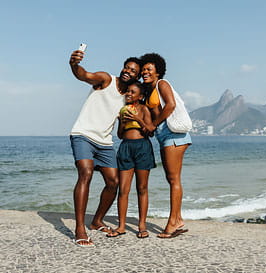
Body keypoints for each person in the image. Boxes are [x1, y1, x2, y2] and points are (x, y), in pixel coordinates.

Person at [69, 48, 142, 247]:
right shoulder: (106, 79)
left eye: (133, 70)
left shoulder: (127, 99)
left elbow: (119, 132)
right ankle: (79, 229)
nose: (128, 71)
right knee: (86, 173)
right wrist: (74, 64)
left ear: (137, 76)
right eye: (127, 67)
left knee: (113, 181)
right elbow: (84, 75)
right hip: (83, 134)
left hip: (105, 143)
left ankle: (96, 220)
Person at [129, 53, 192, 238]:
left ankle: (172, 223)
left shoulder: (162, 84)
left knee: (173, 180)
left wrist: (153, 125)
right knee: (172, 178)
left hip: (173, 134)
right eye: (144, 70)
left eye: (149, 69)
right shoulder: (148, 90)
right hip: (163, 135)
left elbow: (170, 105)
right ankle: (178, 220)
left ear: (158, 71)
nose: (145, 72)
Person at [106, 80, 156, 239]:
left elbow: (150, 131)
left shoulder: (144, 109)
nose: (128, 94)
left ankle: (142, 225)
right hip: (126, 147)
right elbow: (120, 134)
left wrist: (138, 119)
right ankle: (121, 226)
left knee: (142, 188)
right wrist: (123, 121)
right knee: (123, 189)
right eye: (127, 91)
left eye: (132, 92)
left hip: (142, 147)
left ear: (140, 96)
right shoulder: (123, 111)